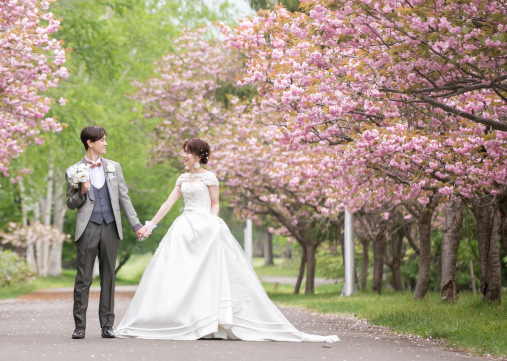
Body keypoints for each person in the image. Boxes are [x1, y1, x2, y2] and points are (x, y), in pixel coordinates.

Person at [114, 139, 340, 343]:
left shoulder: (210, 177)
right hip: (184, 229)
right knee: (180, 273)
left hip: (207, 228)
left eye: (187, 152)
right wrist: (150, 225)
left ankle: (212, 323)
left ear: (199, 155)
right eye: (183, 151)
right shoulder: (182, 178)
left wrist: (211, 223)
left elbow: (215, 203)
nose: (183, 155)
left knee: (210, 275)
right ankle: (185, 318)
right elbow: (168, 203)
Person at [66, 126, 147, 340]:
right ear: (90, 142)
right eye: (102, 140)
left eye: (105, 139)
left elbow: (124, 197)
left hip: (111, 226)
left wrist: (136, 224)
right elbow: (70, 204)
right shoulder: (74, 170)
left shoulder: (114, 167)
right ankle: (80, 326)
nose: (105, 143)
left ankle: (107, 325)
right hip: (87, 228)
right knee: (83, 278)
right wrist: (82, 192)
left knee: (109, 277)